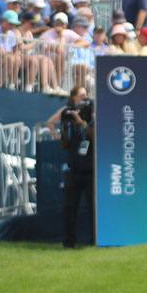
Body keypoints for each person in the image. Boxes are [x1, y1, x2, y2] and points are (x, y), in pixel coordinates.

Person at [59, 85, 95, 248]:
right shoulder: (68, 116)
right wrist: (65, 128)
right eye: (81, 95)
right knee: (69, 208)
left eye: (85, 95)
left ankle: (95, 239)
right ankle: (68, 242)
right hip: (73, 170)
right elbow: (64, 144)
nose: (83, 98)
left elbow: (94, 136)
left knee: (93, 207)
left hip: (90, 170)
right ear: (73, 98)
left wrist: (82, 123)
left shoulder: (92, 117)